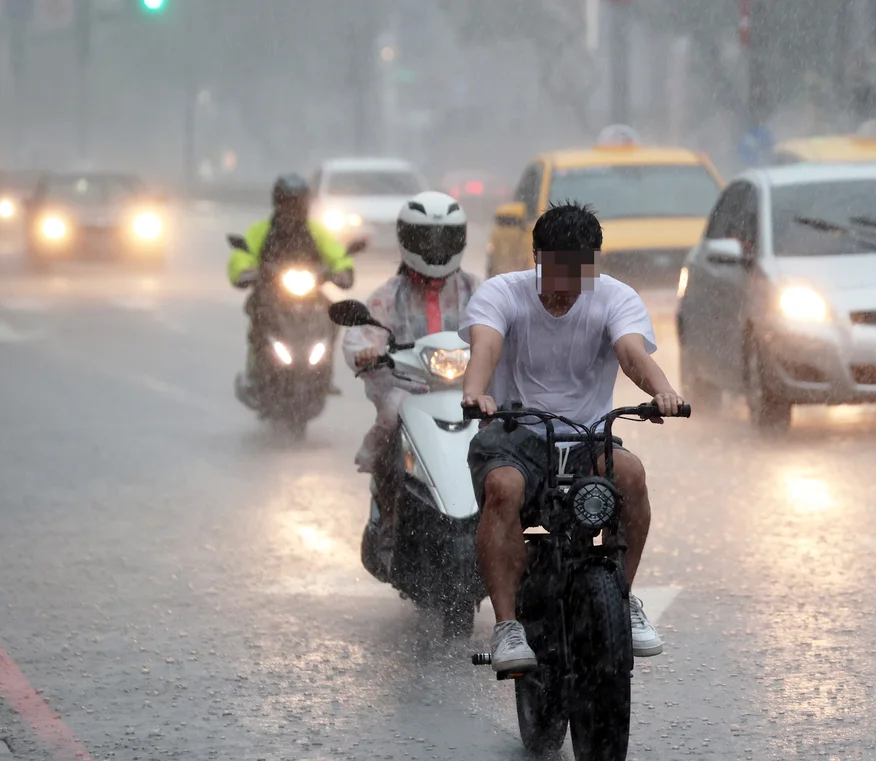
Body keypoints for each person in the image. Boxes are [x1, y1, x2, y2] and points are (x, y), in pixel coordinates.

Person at [459, 201, 685, 673]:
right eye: (556, 269)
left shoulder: (616, 297)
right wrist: (476, 392)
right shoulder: (502, 293)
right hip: (514, 433)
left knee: (630, 475)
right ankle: (506, 627)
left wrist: (662, 391)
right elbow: (487, 344)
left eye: (579, 271)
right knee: (504, 488)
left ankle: (621, 598)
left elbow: (631, 352)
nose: (566, 286)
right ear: (537, 257)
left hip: (587, 439)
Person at [342, 192, 478, 575]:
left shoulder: (478, 291)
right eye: (426, 240)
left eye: (444, 239)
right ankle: (389, 520)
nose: (436, 249)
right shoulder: (387, 297)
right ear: (407, 240)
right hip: (409, 392)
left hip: (469, 390)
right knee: (388, 426)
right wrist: (368, 351)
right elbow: (360, 335)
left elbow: (505, 324)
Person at [227, 173, 355, 393]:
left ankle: (324, 371)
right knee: (257, 314)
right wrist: (246, 271)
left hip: (310, 294)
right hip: (271, 294)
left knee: (334, 315)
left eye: (296, 203)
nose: (291, 209)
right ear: (277, 203)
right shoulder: (262, 230)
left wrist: (342, 272)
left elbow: (337, 255)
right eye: (286, 203)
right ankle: (254, 370)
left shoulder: (316, 232)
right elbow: (243, 254)